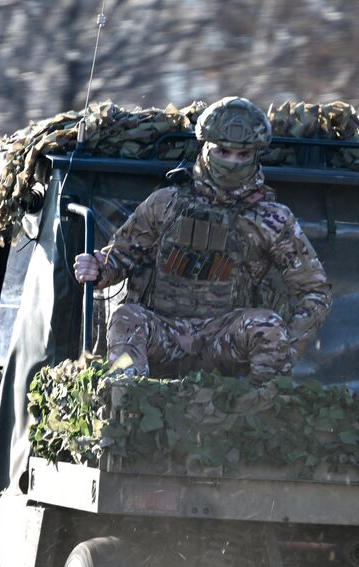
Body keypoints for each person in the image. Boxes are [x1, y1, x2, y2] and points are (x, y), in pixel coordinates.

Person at [73, 96, 331, 385]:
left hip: (225, 340)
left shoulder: (272, 220)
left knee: (267, 326)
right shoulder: (165, 203)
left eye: (243, 154)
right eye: (223, 151)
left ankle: (259, 411)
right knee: (126, 317)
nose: (232, 162)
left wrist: (287, 352)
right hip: (164, 332)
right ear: (205, 147)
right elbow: (119, 258)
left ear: (256, 154)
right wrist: (96, 267)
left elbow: (315, 292)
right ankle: (126, 405)